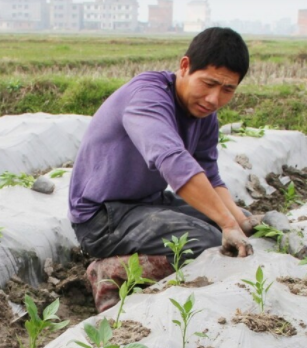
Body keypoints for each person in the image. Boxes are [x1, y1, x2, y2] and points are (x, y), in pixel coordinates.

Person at [68, 27, 263, 312]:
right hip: (102, 219)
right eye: (208, 83)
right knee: (209, 241)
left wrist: (239, 220)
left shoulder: (204, 115)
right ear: (184, 66)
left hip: (145, 204)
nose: (213, 99)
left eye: (227, 89)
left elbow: (208, 175)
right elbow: (172, 161)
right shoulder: (147, 97)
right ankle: (112, 272)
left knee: (230, 225)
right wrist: (228, 225)